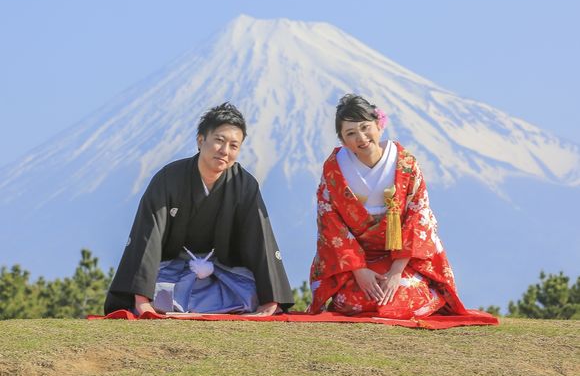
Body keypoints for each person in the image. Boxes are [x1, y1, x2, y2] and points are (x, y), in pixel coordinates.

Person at [105, 102, 294, 316]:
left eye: (234, 146)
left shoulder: (244, 185)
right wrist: (141, 300)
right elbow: (148, 238)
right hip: (172, 271)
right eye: (219, 141)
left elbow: (261, 241)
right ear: (201, 140)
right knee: (158, 292)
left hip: (222, 272)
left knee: (250, 293)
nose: (225, 151)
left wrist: (270, 299)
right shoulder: (169, 179)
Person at [309, 94, 474, 319]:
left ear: (379, 125)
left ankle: (412, 286)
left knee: (405, 294)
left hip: (402, 260)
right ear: (343, 140)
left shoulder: (405, 163)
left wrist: (396, 272)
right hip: (356, 264)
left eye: (365, 127)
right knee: (352, 300)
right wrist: (359, 270)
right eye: (351, 133)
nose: (361, 137)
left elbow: (418, 216)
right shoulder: (334, 169)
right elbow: (330, 222)